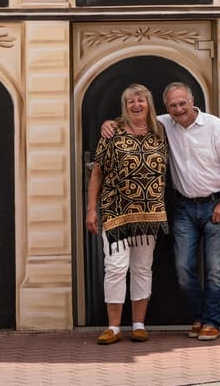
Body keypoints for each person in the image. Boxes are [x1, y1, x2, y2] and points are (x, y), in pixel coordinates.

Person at [103, 81, 220, 342]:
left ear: (192, 101)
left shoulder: (215, 126)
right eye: (173, 105)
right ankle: (199, 316)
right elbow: (134, 117)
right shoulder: (164, 124)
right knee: (183, 269)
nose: (179, 109)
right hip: (183, 207)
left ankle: (211, 321)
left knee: (214, 269)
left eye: (182, 103)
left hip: (216, 205)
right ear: (166, 107)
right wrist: (109, 123)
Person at [86, 83, 169, 345]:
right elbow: (97, 173)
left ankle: (138, 325)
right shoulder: (112, 133)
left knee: (143, 269)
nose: (136, 105)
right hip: (116, 211)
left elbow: (187, 116)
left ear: (148, 104)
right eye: (131, 101)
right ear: (125, 105)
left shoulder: (162, 131)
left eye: (141, 100)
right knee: (116, 268)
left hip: (149, 213)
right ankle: (113, 327)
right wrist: (91, 209)